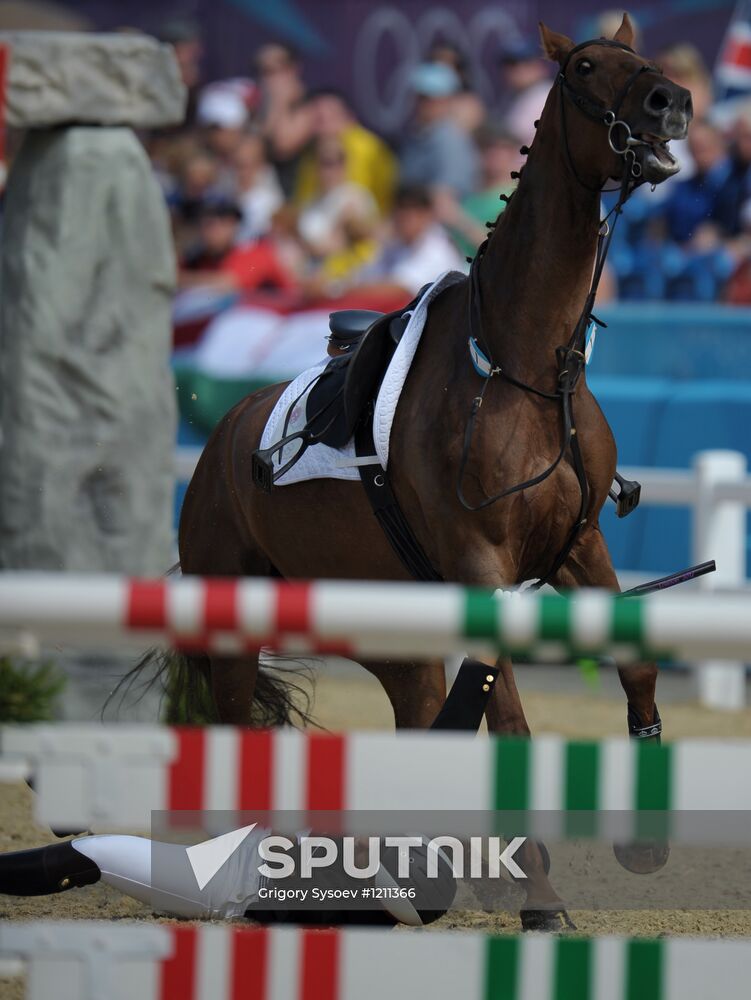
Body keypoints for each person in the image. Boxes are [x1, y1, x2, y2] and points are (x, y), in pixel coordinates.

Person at [294, 88, 397, 215]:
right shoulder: (310, 154)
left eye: (326, 118)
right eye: (317, 120)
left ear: (348, 117)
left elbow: (385, 201)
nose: (321, 127)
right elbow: (303, 202)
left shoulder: (370, 149)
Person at [352, 184, 463, 298]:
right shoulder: (396, 244)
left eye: (413, 210)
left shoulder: (438, 247)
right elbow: (367, 275)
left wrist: (347, 291)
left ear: (428, 214)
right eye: (401, 208)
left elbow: (401, 290)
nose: (405, 216)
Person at [434, 123, 523, 258]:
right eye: (487, 147)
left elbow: (501, 249)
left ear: (512, 153)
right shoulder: (468, 193)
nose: (493, 154)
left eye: (501, 148)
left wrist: (457, 219)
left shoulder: (516, 198)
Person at [297, 137, 378, 282]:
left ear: (344, 165)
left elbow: (363, 241)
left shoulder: (357, 196)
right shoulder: (310, 204)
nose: (329, 170)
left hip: (347, 276)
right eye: (324, 163)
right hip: (315, 275)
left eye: (335, 162)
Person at [179, 197, 295, 295]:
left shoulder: (254, 250)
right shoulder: (197, 257)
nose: (213, 228)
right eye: (207, 222)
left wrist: (178, 279)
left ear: (234, 225)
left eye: (222, 221)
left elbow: (228, 284)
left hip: (281, 317)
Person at [399, 63, 479, 199]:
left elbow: (444, 201)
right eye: (422, 97)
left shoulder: (451, 141)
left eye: (433, 98)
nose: (425, 104)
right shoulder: (416, 135)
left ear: (448, 100)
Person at [254, 42, 314, 196]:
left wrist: (278, 103)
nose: (266, 78)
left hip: (299, 194)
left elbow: (283, 146)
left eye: (273, 70)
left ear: (293, 69)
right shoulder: (259, 107)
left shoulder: (308, 104)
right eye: (261, 70)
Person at [496, 39, 551, 147]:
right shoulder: (520, 95)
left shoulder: (543, 95)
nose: (517, 71)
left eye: (525, 63)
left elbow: (511, 137)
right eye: (510, 64)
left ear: (540, 66)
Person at [231, 133, 284, 242]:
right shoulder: (227, 190)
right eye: (237, 165)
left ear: (260, 164)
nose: (241, 172)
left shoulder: (270, 202)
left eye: (246, 165)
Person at [427, 41, 486, 133]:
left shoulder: (468, 106)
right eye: (436, 63)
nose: (441, 69)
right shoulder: (424, 102)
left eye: (448, 64)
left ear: (460, 72)